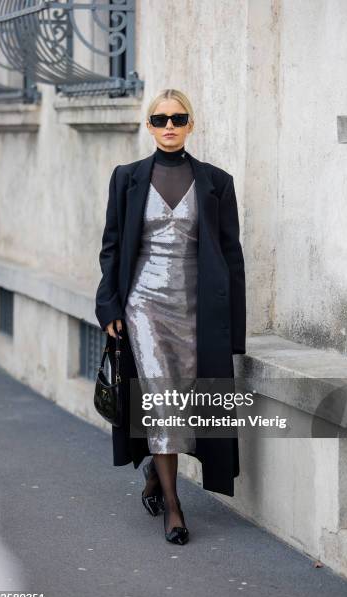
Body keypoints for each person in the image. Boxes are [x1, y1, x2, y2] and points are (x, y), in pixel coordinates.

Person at [95, 88, 246, 545]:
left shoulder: (217, 182)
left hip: (197, 308)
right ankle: (175, 510)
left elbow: (231, 256)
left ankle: (155, 477)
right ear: (149, 126)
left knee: (185, 404)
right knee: (161, 401)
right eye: (160, 119)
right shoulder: (127, 178)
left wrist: (234, 328)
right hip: (144, 306)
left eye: (178, 118)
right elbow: (113, 247)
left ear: (191, 124)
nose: (169, 126)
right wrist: (110, 305)